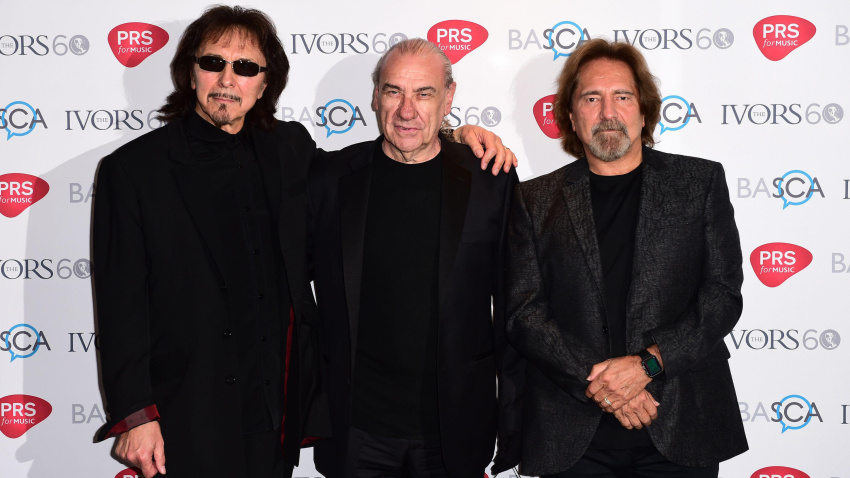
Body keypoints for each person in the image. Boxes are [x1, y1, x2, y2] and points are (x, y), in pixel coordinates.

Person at [92, 7, 514, 478]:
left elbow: (410, 142)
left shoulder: (288, 150)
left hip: (276, 415)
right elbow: (120, 305)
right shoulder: (132, 172)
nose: (228, 79)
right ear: (189, 71)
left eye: (246, 66)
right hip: (187, 413)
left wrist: (458, 134)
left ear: (265, 80)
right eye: (213, 63)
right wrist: (136, 415)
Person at [506, 38, 748, 477]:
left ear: (644, 110)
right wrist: (606, 386)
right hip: (573, 436)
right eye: (591, 99)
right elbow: (524, 314)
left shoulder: (699, 183)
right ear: (571, 117)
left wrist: (648, 364)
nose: (608, 112)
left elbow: (722, 296)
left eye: (622, 96)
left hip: (681, 423)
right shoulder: (534, 200)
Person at [308, 39, 523, 478]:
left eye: (424, 94)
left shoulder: (490, 181)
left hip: (455, 431)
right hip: (355, 431)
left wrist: (515, 421)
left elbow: (516, 305)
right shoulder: (331, 179)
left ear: (449, 98)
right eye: (393, 92)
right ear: (374, 97)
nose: (407, 110)